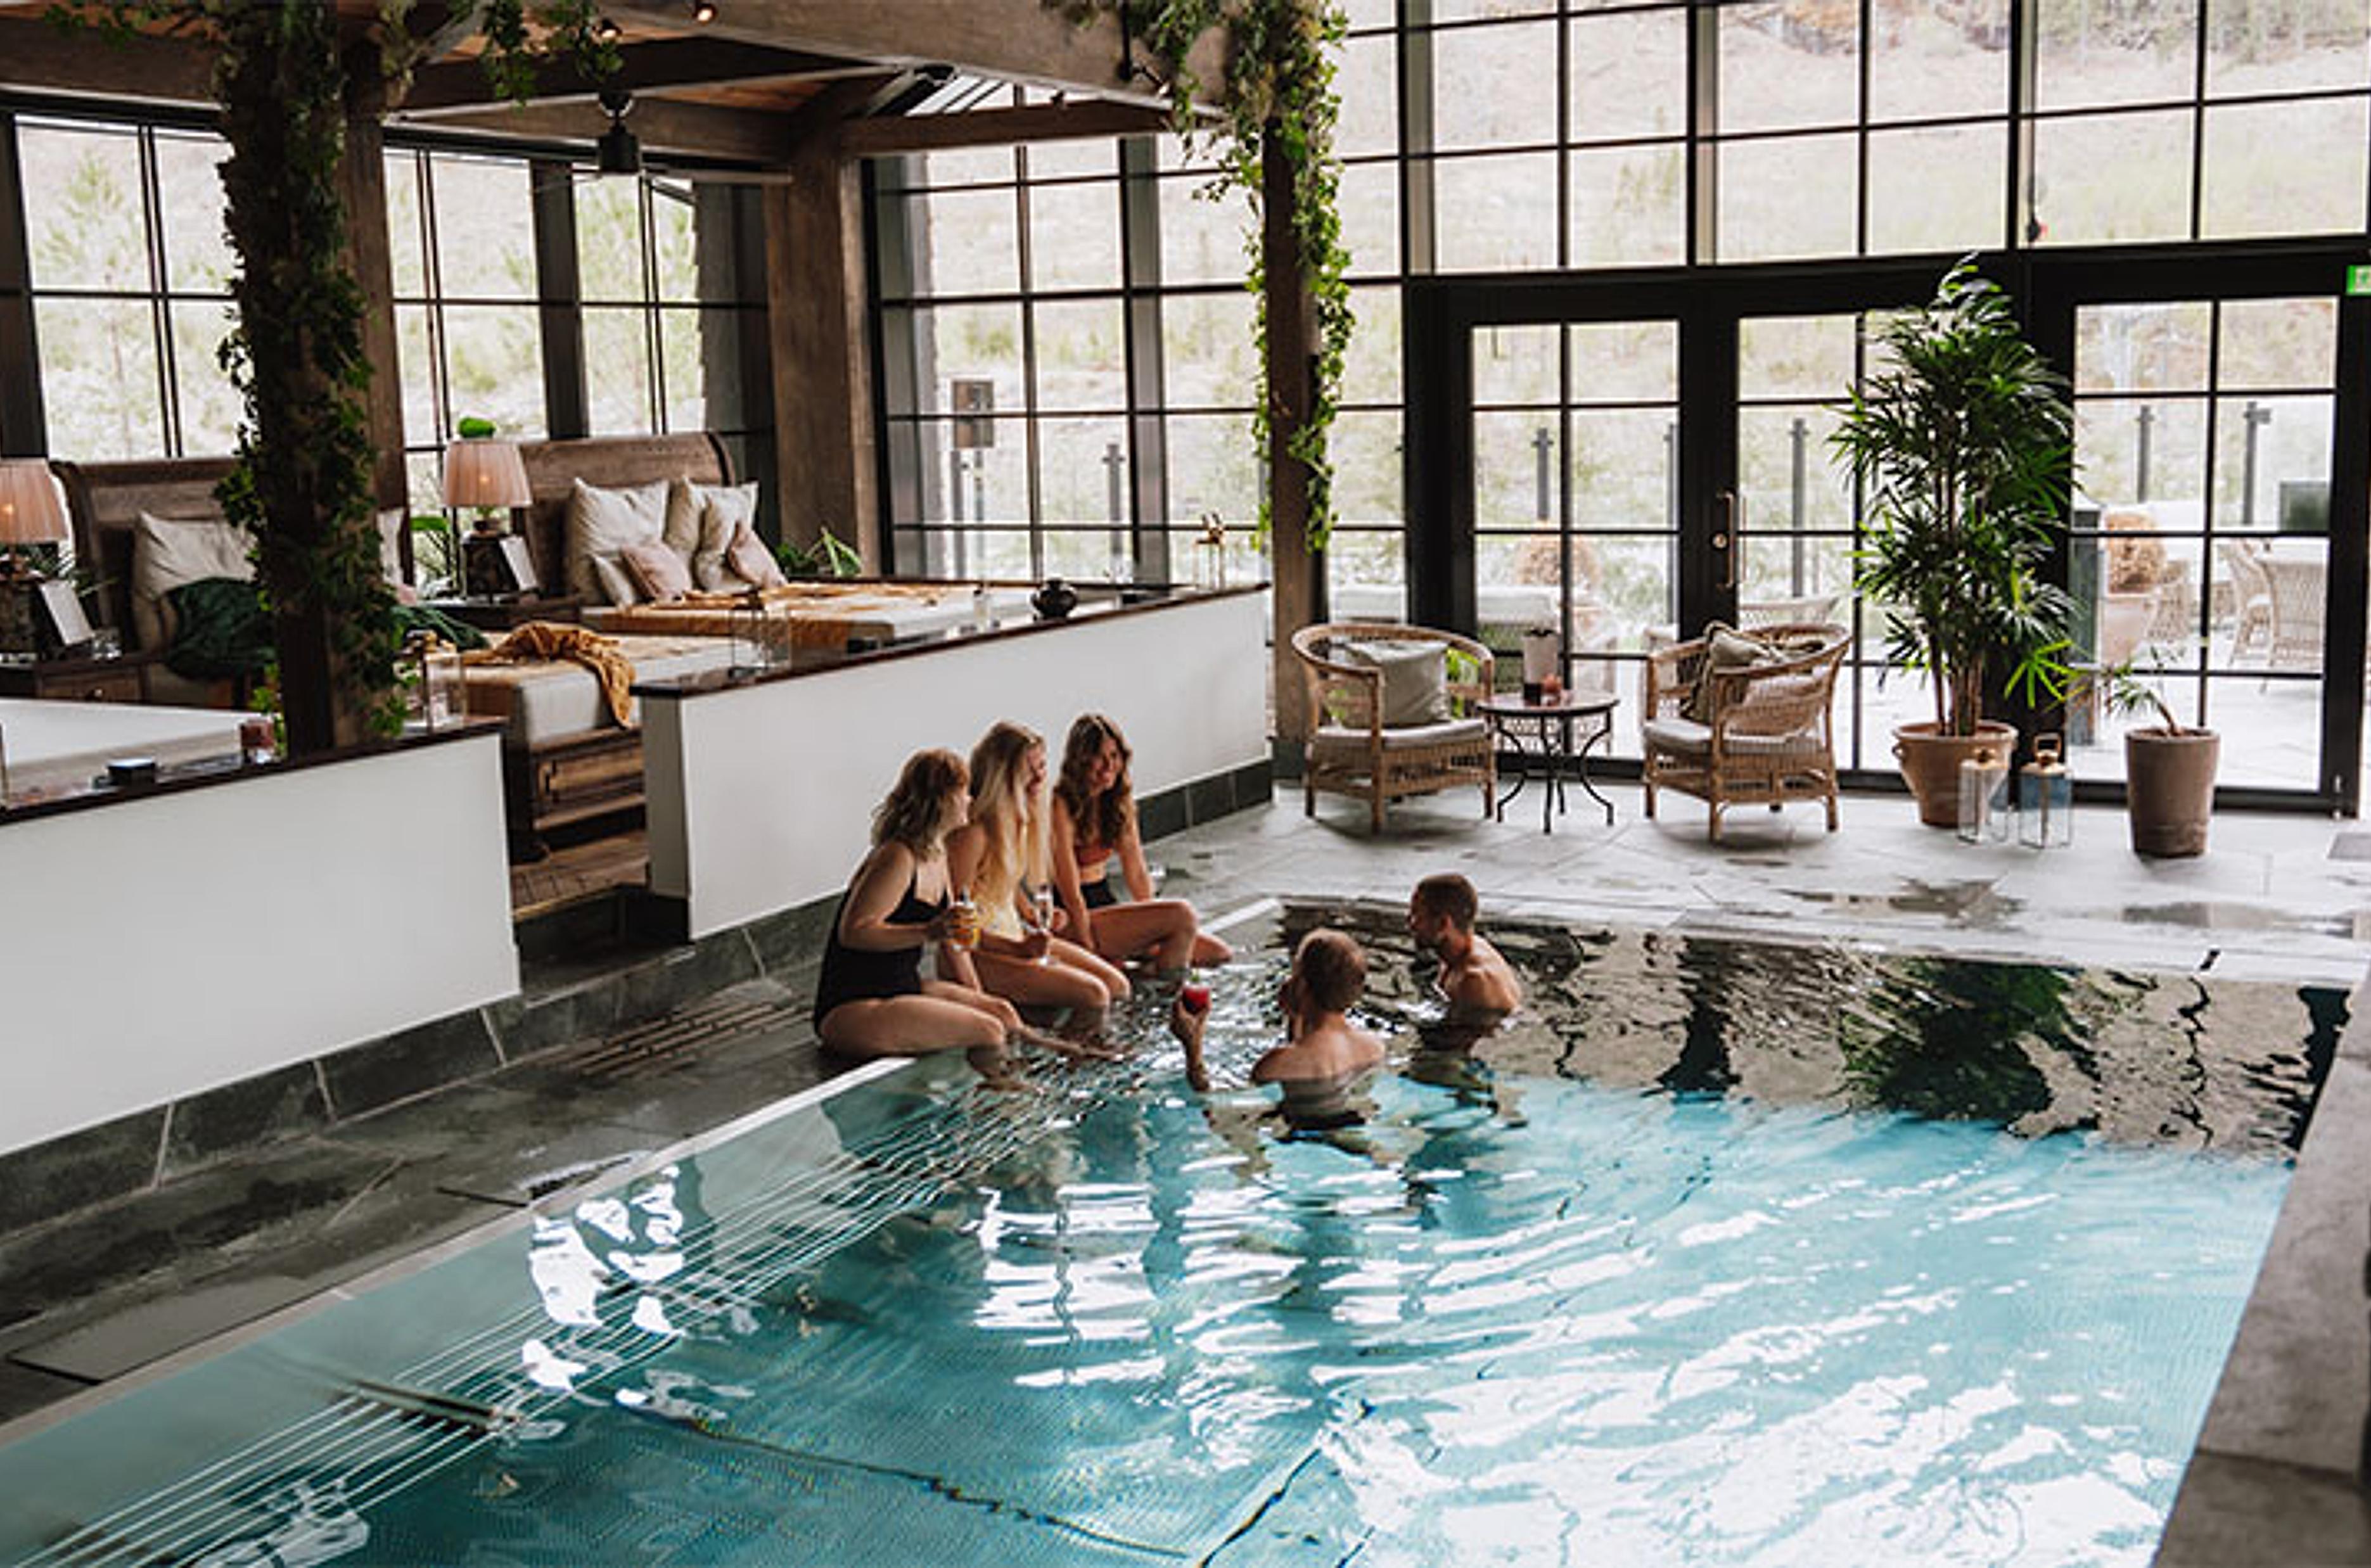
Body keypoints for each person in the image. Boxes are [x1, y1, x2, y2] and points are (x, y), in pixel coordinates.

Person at [811, 748, 1028, 1085]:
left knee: (1003, 1015)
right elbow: (854, 932)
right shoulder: (898, 857)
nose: (970, 800)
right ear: (942, 799)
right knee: (988, 1031)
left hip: (903, 987)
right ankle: (1000, 1115)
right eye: (964, 792)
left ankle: (1016, 1087)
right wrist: (928, 931)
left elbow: (957, 936)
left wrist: (988, 988)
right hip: (853, 1005)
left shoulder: (938, 854)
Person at [946, 720, 1132, 1036]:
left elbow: (1000, 885)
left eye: (1042, 766)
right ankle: (1067, 1062)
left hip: (1017, 938)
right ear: (1003, 775)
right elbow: (951, 926)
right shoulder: (974, 834)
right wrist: (1017, 950)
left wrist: (1030, 913)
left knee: (1117, 986)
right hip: (980, 953)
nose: (1039, 776)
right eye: (1028, 769)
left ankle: (1073, 1051)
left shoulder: (1021, 820)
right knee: (1094, 994)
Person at [1050, 713, 1231, 971]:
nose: (1108, 766)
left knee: (1216, 953)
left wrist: (1154, 926)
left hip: (1105, 905)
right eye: (1099, 758)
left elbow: (1135, 872)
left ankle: (1156, 985)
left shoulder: (1118, 803)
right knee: (1182, 915)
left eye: (1114, 757)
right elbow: (1070, 894)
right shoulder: (1060, 805)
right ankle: (1164, 998)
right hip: (1072, 916)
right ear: (1080, 761)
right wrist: (1088, 948)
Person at [1170, 927, 1383, 1097]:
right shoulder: (1374, 1048)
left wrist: (1193, 1048)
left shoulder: (1275, 1066)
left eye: (1295, 972)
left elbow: (1217, 1112)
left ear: (1303, 986)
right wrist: (1295, 1017)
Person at [1406, 872, 1523, 1021]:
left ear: (1443, 924)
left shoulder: (1473, 981)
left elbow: (1462, 1040)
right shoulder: (1460, 950)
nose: (1410, 923)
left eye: (1416, 915)